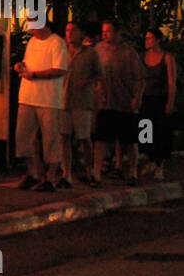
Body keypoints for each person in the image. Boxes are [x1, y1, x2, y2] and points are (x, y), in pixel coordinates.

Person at [14, 19, 69, 191]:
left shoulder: (57, 43)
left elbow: (59, 69)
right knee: (24, 137)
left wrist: (35, 74)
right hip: (27, 97)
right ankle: (33, 172)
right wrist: (21, 67)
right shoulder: (32, 42)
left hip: (48, 99)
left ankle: (51, 176)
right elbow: (28, 62)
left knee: (50, 138)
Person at [92, 19, 145, 187]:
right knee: (101, 139)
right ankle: (96, 172)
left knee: (129, 140)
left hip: (124, 102)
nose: (105, 34)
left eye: (108, 31)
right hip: (105, 101)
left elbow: (140, 77)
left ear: (117, 33)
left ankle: (132, 172)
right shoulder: (99, 49)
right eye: (103, 31)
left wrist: (137, 97)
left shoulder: (129, 53)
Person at [60, 19, 102, 187]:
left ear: (81, 33)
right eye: (67, 30)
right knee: (64, 137)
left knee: (84, 138)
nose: (69, 34)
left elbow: (100, 74)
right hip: (63, 101)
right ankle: (66, 173)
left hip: (82, 102)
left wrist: (87, 82)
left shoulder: (90, 53)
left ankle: (89, 171)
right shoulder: (62, 51)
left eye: (73, 30)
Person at [139, 27, 176, 182]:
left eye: (150, 38)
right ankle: (150, 159)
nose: (147, 41)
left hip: (160, 99)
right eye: (146, 38)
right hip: (146, 99)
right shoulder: (142, 57)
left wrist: (170, 102)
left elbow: (171, 82)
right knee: (145, 131)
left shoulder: (166, 58)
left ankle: (160, 164)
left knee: (161, 132)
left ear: (158, 40)